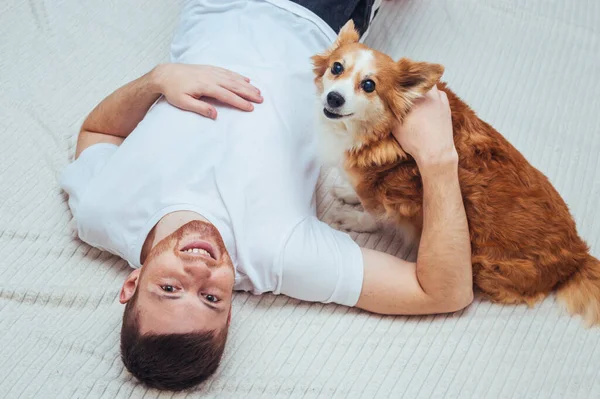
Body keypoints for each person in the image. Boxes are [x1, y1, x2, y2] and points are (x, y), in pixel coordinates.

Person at [60, 0, 473, 391]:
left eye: (169, 288)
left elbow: (98, 132)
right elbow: (442, 292)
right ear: (230, 311)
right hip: (312, 16)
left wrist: (157, 80)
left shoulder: (100, 213)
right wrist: (438, 160)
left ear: (131, 284)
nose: (198, 269)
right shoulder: (279, 255)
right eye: (210, 297)